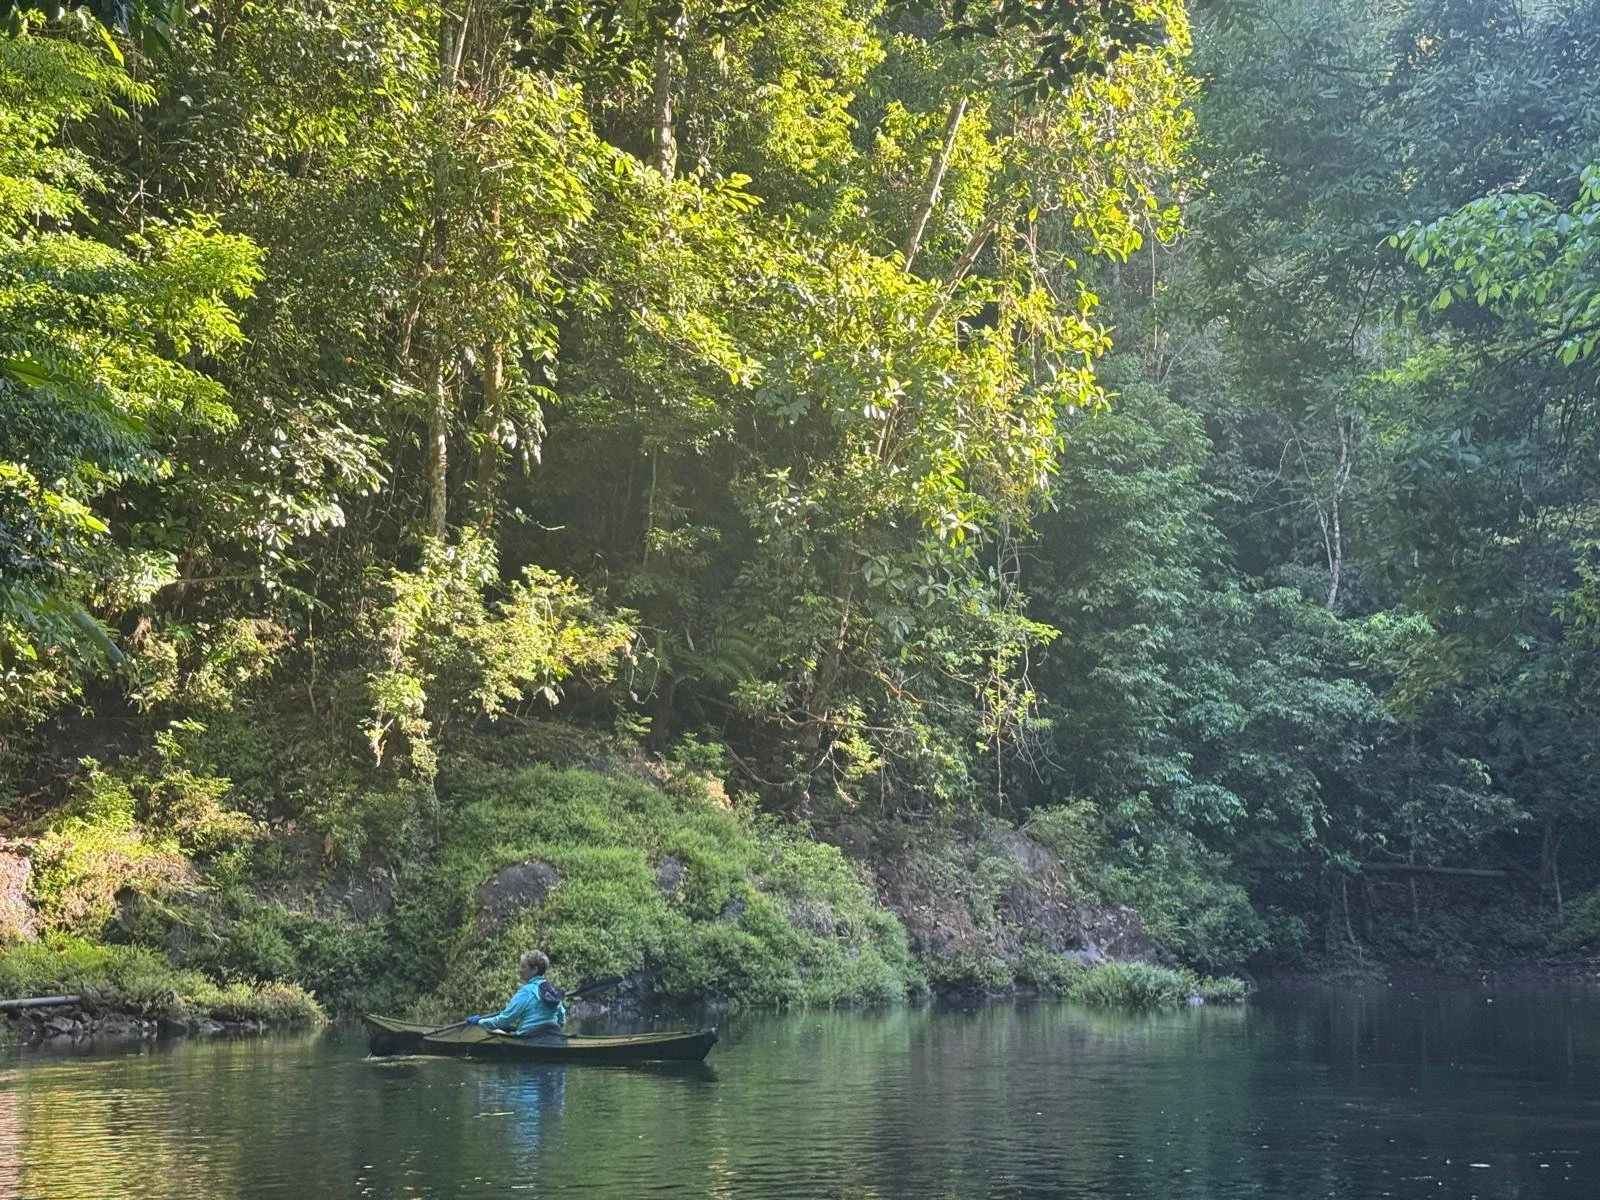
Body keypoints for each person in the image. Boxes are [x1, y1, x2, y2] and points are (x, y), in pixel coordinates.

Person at [467, 950, 567, 1037]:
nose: (519, 970)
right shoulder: (552, 990)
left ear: (534, 970)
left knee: (494, 1031)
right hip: (554, 1035)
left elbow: (505, 1020)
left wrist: (479, 1022)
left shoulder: (526, 992)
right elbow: (562, 1020)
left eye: (523, 967)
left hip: (529, 1038)